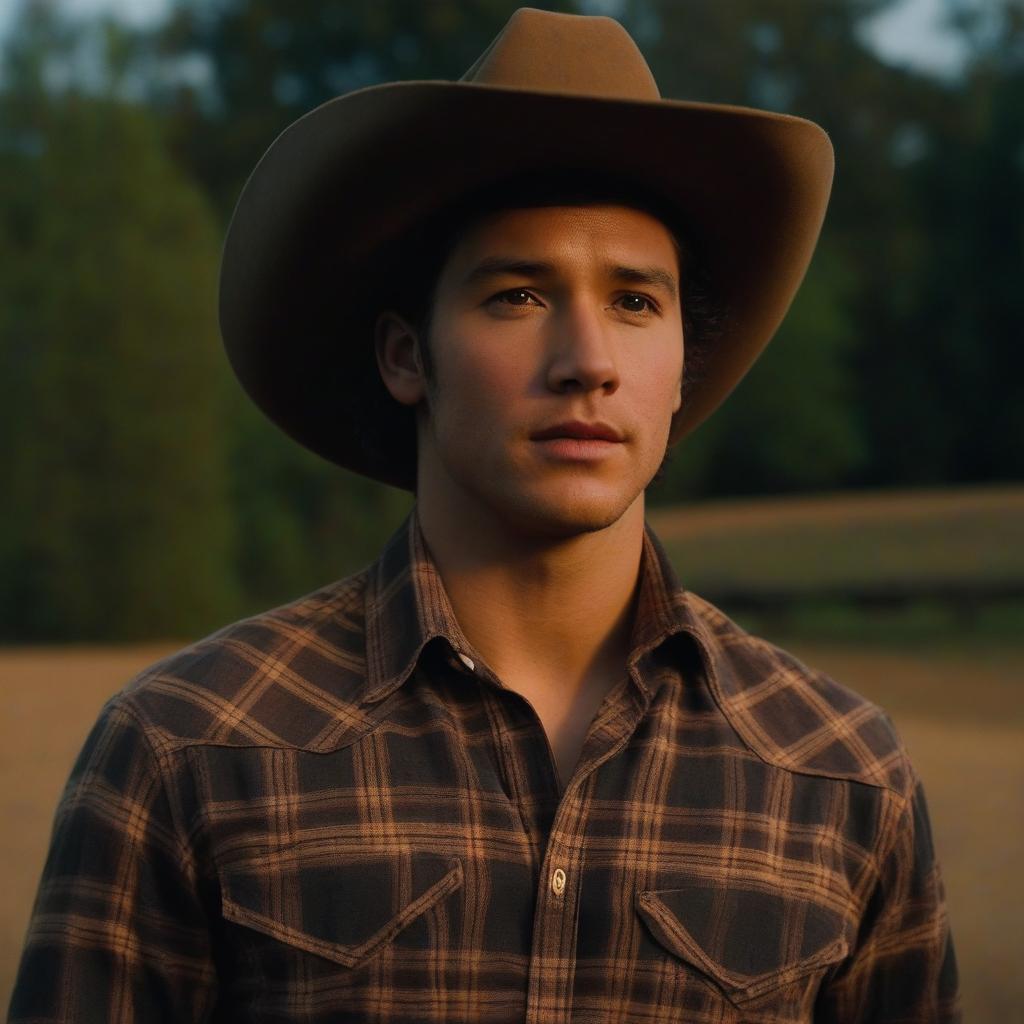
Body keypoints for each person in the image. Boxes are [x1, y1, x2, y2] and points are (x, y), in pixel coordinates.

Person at [9, 8, 959, 1023]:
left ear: (684, 368)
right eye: (516, 295)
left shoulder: (839, 776)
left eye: (636, 302)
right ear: (404, 356)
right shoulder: (188, 748)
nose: (587, 360)